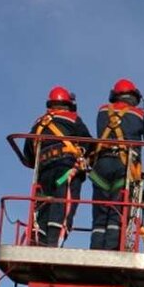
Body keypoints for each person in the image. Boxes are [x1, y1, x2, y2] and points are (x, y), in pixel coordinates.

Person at [89, 78, 144, 250]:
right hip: (124, 168)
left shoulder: (102, 111)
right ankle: (111, 251)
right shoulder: (138, 115)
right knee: (117, 212)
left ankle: (96, 250)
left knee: (100, 214)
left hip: (100, 167)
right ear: (135, 97)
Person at [21, 86, 91, 247]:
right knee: (63, 205)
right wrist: (84, 156)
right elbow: (89, 143)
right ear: (68, 104)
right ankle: (54, 244)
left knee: (43, 204)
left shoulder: (38, 123)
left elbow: (28, 155)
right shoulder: (72, 119)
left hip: (44, 171)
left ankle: (38, 242)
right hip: (66, 170)